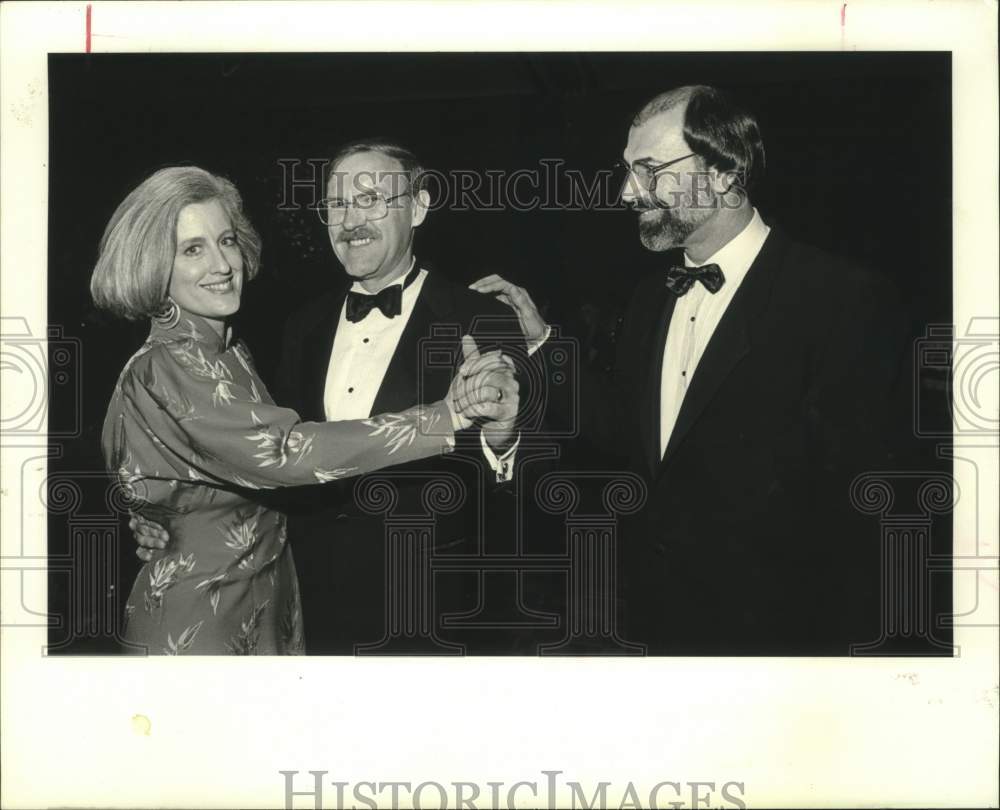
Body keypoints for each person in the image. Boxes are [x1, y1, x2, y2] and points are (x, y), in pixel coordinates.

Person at [472, 85, 910, 655]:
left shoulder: (842, 297)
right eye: (628, 172)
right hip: (657, 628)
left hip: (782, 643)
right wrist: (542, 342)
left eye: (650, 170)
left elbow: (865, 514)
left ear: (726, 170)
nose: (628, 193)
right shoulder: (652, 295)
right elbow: (625, 434)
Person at [92, 165, 518, 655]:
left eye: (226, 240)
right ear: (151, 264)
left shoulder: (231, 351)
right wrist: (446, 416)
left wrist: (151, 509)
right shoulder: (166, 364)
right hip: (203, 622)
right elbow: (284, 452)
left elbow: (167, 457)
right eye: (192, 249)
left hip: (280, 607)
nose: (222, 264)